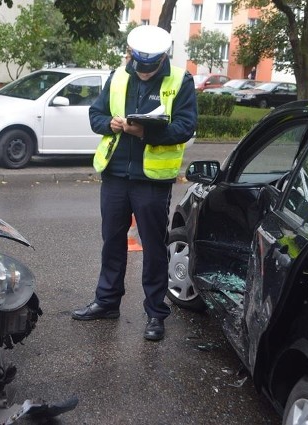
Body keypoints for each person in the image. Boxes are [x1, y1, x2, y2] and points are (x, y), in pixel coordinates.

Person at [71, 25, 198, 341]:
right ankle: (107, 301)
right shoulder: (119, 76)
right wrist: (111, 124)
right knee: (111, 241)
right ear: (131, 57)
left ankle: (156, 314)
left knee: (154, 247)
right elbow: (95, 115)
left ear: (162, 58)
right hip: (115, 174)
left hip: (152, 180)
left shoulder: (180, 80)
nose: (142, 73)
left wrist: (147, 132)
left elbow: (186, 126)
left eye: (149, 67)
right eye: (138, 66)